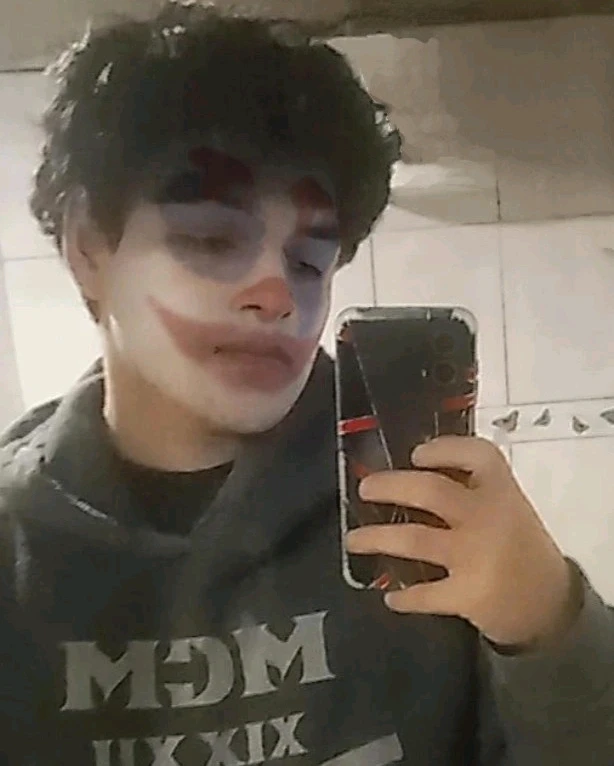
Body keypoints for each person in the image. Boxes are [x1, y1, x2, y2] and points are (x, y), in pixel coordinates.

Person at [0, 3, 611, 764]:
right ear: (89, 248)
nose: (279, 295)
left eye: (309, 261)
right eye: (211, 240)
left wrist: (548, 622)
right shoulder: (13, 548)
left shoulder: (411, 512)